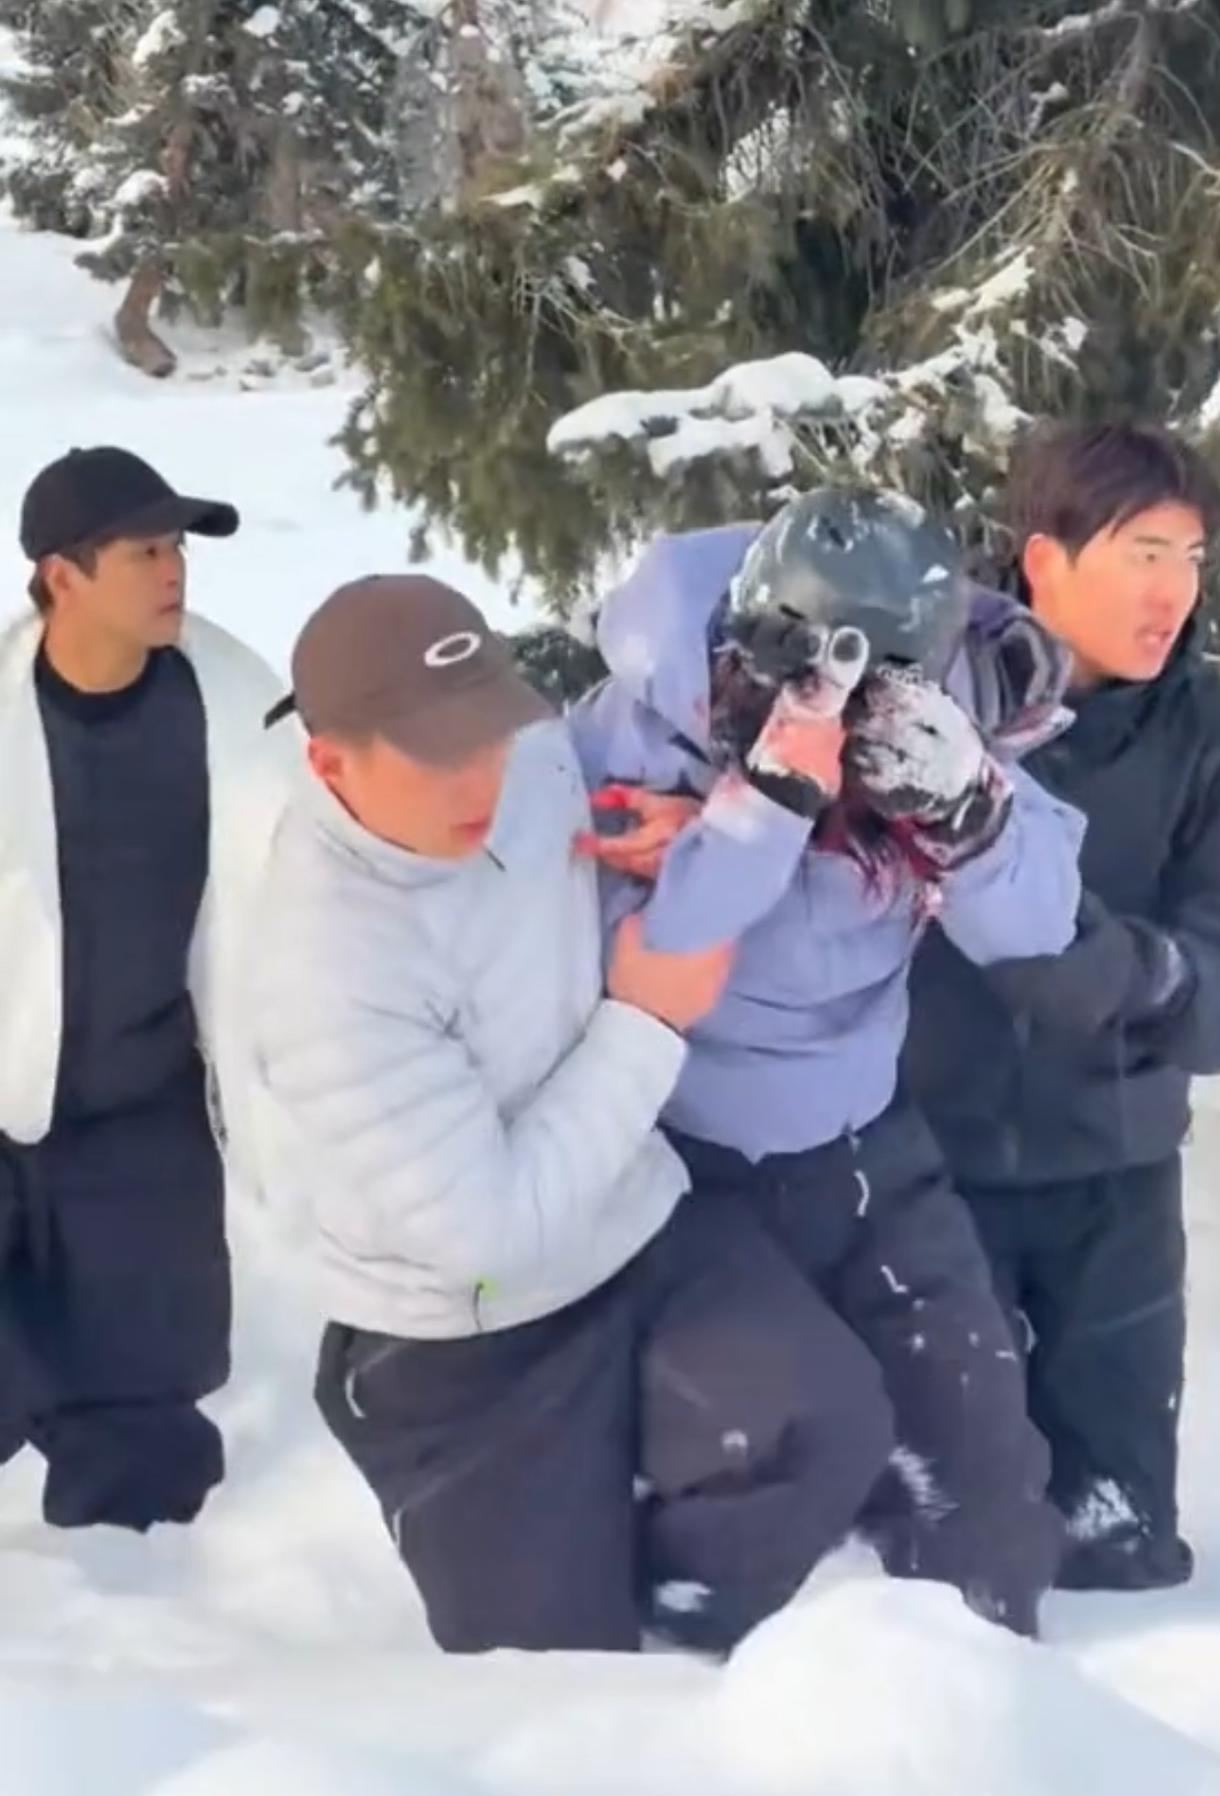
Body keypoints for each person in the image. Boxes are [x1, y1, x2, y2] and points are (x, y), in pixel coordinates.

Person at [247, 573, 898, 1655]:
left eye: (490, 734)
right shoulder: (325, 968)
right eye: (436, 752)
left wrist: (668, 833)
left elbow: (579, 823)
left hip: (627, 1216)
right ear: (329, 763)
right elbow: (491, 1230)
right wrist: (647, 1017)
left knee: (825, 1425)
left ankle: (686, 1634)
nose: (483, 775)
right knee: (553, 1680)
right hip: (462, 1332)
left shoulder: (529, 756)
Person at [571, 487, 1087, 1638]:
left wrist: (974, 817)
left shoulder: (929, 693)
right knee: (785, 1434)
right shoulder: (637, 724)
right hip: (677, 1155)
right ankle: (671, 1681)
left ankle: (973, 1719)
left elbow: (1035, 921)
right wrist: (748, 807)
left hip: (861, 1141)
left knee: (985, 1490)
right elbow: (637, 957)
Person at [905, 423, 1220, 1592]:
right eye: (1138, 550)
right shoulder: (920, 707)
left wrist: (1133, 976)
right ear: (1041, 560)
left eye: (1189, 557)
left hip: (1109, 1192)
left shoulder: (1218, 738)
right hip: (921, 1178)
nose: (1168, 589)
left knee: (1114, 1554)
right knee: (934, 1562)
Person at [0, 445, 296, 1531]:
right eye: (144, 550)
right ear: (61, 574)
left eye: (177, 548)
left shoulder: (242, 708)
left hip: (146, 1095)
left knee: (145, 1414)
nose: (172, 571)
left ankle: (136, 1619)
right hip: (2, 1093)